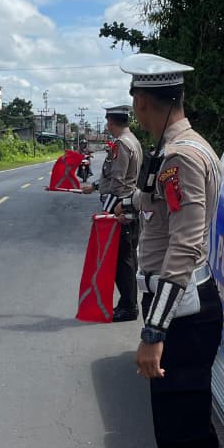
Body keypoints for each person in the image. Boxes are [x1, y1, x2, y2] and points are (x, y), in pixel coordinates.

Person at [118, 53, 224, 448]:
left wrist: (153, 333)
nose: (135, 110)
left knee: (183, 443)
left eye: (136, 102)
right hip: (180, 308)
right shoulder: (176, 149)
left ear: (145, 103)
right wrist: (133, 202)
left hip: (181, 315)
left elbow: (187, 243)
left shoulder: (180, 155)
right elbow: (162, 209)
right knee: (180, 440)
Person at [81, 104, 142, 322]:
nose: (107, 125)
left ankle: (128, 307)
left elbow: (118, 181)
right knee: (126, 259)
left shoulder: (121, 144)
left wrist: (112, 209)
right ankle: (128, 304)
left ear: (111, 122)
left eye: (107, 121)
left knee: (121, 260)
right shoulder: (132, 140)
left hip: (120, 207)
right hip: (127, 204)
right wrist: (96, 186)